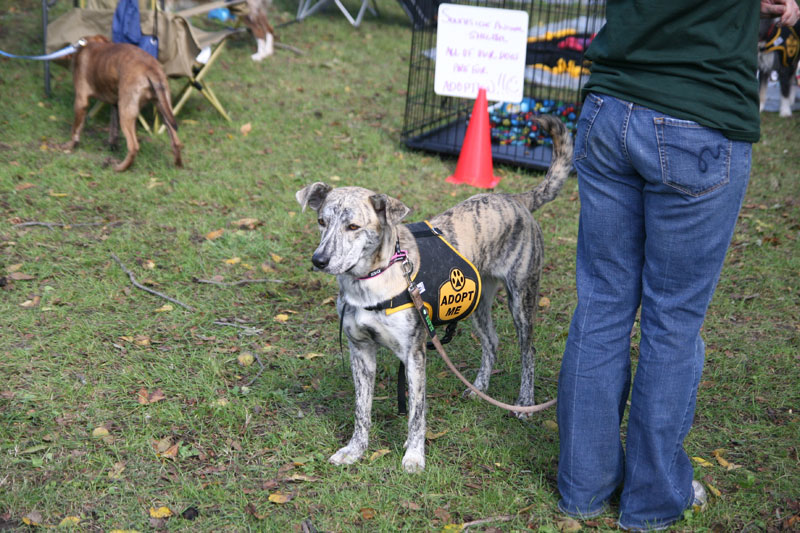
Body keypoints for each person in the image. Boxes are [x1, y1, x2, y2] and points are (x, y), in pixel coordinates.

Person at [556, 1, 800, 531]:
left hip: (612, 106)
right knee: (672, 320)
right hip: (699, 116)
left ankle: (583, 489)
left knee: (602, 305)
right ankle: (650, 502)